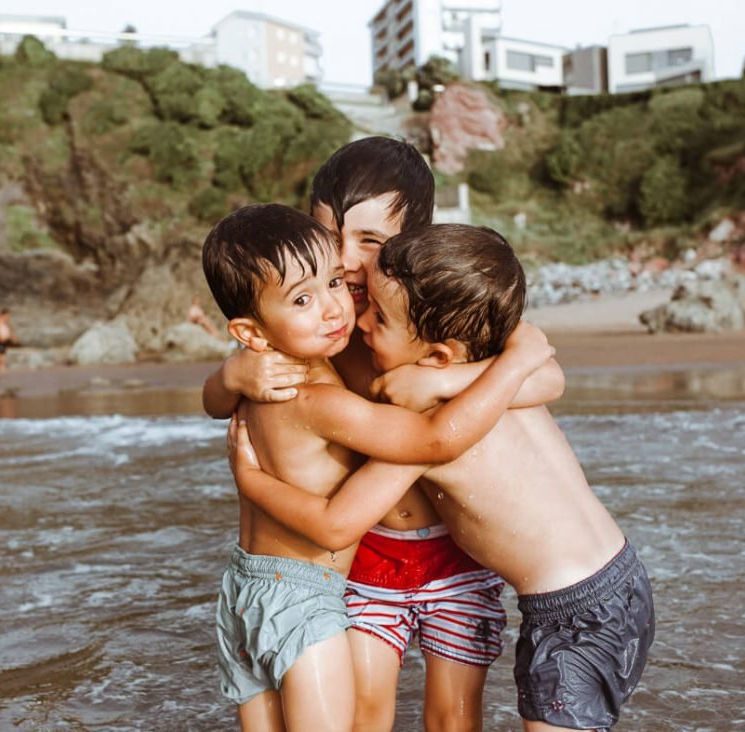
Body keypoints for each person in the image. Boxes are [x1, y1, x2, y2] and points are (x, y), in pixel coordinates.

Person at [202, 136, 566, 732]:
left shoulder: (435, 305)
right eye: (330, 236)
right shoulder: (314, 321)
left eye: (368, 241)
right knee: (365, 713)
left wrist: (449, 381)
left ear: (414, 235)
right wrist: (229, 374)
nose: (345, 260)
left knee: (453, 714)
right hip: (366, 555)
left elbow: (546, 374)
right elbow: (222, 403)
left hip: (451, 551)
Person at [232, 224, 656, 732]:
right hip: (606, 580)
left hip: (576, 607)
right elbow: (532, 348)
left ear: (438, 354)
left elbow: (339, 520)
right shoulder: (490, 367)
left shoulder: (428, 415)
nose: (361, 320)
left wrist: (250, 479)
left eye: (379, 317)